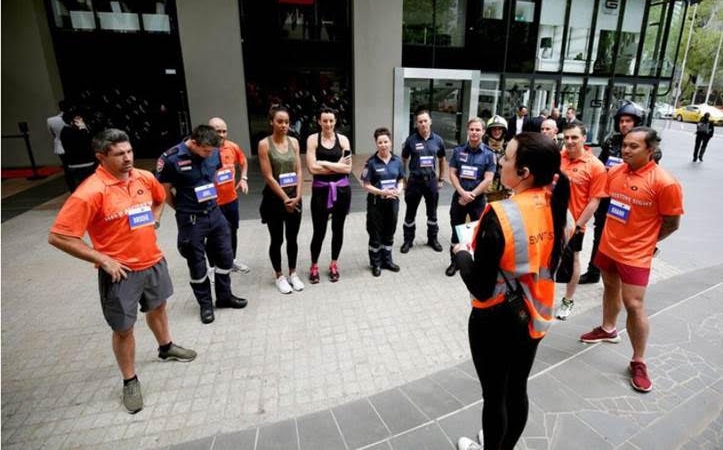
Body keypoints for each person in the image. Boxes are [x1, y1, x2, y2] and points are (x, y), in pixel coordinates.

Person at [48, 129, 197, 414]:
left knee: (158, 307)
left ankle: (166, 347)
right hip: (121, 273)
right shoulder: (90, 192)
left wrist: (154, 219)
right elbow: (58, 236)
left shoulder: (144, 177)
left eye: (129, 151)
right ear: (101, 157)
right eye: (119, 154)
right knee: (124, 328)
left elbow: (158, 198)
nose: (127, 158)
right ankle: (130, 380)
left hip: (153, 261)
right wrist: (102, 259)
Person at [454, 132, 571, 450]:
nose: (500, 161)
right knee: (516, 388)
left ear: (524, 172)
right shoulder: (556, 203)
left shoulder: (500, 215)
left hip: (495, 318)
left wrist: (461, 254)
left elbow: (479, 286)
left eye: (506, 157)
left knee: (494, 395)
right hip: (536, 314)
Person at [580, 127, 683, 393]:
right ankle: (607, 328)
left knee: (634, 304)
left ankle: (638, 360)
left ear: (650, 149)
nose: (626, 150)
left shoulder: (664, 182)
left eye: (633, 146)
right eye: (625, 145)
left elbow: (672, 223)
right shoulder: (615, 172)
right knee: (610, 289)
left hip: (636, 255)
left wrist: (648, 242)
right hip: (608, 246)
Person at [156, 125, 247, 324]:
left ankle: (224, 297)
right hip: (191, 219)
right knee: (197, 265)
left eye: (212, 151)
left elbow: (213, 176)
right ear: (194, 143)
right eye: (206, 150)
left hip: (215, 213)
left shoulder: (214, 152)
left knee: (225, 256)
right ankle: (205, 304)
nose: (209, 155)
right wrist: (182, 208)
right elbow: (164, 191)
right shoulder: (171, 158)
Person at [579, 101, 644, 285]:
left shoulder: (647, 146)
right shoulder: (611, 142)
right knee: (599, 234)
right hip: (608, 198)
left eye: (628, 121)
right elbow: (599, 167)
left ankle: (622, 275)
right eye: (622, 121)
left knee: (624, 239)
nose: (624, 124)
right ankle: (593, 271)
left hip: (629, 201)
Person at [555, 122, 607, 320]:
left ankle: (568, 300)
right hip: (550, 221)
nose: (569, 141)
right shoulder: (558, 158)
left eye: (574, 137)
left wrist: (576, 225)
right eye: (566, 137)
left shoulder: (595, 166)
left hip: (575, 225)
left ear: (584, 138)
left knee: (573, 261)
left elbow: (595, 201)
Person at [258, 106, 305, 294]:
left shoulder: (294, 142)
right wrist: (286, 199)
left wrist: (298, 195)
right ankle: (279, 275)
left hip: (295, 196)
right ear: (272, 122)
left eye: (286, 122)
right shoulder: (264, 144)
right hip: (275, 199)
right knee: (276, 239)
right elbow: (268, 176)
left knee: (292, 238)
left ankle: (293, 273)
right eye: (280, 121)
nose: (284, 125)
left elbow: (299, 170)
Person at [305, 107, 353, 283]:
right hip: (320, 191)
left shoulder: (343, 140)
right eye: (324, 120)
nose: (328, 124)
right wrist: (336, 165)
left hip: (342, 191)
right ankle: (314, 265)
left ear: (335, 121)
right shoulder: (312, 139)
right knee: (319, 231)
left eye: (331, 120)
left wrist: (323, 162)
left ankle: (334, 264)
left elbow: (348, 168)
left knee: (338, 230)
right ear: (319, 121)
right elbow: (311, 168)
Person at [445, 117, 496, 276]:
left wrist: (471, 195)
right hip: (459, 197)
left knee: (475, 232)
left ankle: (472, 262)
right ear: (468, 131)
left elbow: (488, 179)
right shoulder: (458, 151)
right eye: (472, 129)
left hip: (477, 200)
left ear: (483, 132)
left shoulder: (489, 154)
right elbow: (452, 173)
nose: (474, 133)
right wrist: (462, 192)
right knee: (456, 230)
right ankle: (454, 262)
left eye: (477, 130)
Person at [207, 117, 251, 277]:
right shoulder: (205, 150)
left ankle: (231, 261)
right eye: (217, 131)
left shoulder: (232, 147)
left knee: (232, 231)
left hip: (231, 200)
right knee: (212, 235)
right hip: (212, 203)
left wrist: (243, 178)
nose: (221, 134)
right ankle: (211, 267)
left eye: (224, 131)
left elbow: (243, 162)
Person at [400, 109, 447, 253]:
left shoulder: (438, 140)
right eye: (420, 122)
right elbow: (404, 159)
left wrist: (441, 178)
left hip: (431, 182)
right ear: (416, 124)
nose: (423, 124)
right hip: (414, 182)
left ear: (430, 122)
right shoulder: (411, 140)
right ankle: (408, 241)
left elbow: (442, 159)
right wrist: (404, 178)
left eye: (425, 121)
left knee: (432, 213)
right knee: (410, 212)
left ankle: (432, 239)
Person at [361, 127, 405, 276]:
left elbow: (400, 180)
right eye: (380, 142)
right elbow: (366, 185)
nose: (383, 145)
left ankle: (387, 260)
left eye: (386, 141)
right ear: (376, 143)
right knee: (375, 233)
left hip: (392, 202)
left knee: (389, 232)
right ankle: (376, 263)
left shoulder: (397, 161)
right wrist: (382, 192)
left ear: (390, 142)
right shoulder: (371, 163)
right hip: (376, 203)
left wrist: (399, 191)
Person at [60, 106, 97, 192]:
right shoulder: (73, 131)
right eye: (78, 118)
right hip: (84, 163)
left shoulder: (64, 131)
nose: (81, 120)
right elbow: (87, 142)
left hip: (77, 163)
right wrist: (83, 130)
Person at [482, 115, 511, 202]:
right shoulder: (482, 147)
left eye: (499, 129)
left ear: (504, 131)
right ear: (489, 131)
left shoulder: (508, 148)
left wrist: (509, 190)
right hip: (481, 190)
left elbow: (511, 170)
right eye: (494, 129)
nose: (497, 131)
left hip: (500, 191)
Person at [47, 100, 73, 191]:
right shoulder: (77, 118)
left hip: (61, 147)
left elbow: (53, 135)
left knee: (67, 170)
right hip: (75, 146)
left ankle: (72, 189)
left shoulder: (51, 120)